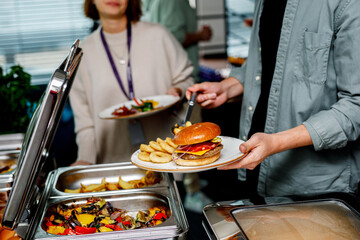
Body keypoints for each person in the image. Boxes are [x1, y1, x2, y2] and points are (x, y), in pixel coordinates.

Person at [186, 0, 360, 198]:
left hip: (316, 184)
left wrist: (276, 143)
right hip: (256, 165)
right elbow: (269, 65)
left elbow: (356, 106)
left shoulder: (347, 3)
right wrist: (227, 87)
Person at [69, 0, 194, 165]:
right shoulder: (82, 54)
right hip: (112, 162)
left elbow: (187, 79)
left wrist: (178, 90)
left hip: (166, 157)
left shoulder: (159, 35)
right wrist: (84, 159)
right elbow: (84, 121)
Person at [142, 0, 212, 82]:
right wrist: (201, 35)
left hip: (162, 74)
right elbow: (175, 39)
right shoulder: (172, 2)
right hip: (180, 78)